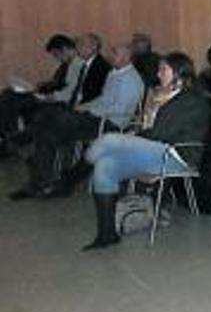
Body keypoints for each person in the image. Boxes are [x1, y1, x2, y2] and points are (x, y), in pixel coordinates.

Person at [82, 52, 211, 250]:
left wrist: (136, 135)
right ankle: (107, 234)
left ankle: (77, 171)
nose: (159, 74)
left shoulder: (191, 100)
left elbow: (163, 133)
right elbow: (155, 131)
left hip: (177, 155)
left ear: (179, 73)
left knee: (110, 140)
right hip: (158, 151)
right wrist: (139, 131)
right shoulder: (167, 96)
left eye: (163, 70)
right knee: (105, 166)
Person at [11, 43, 144, 200]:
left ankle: (24, 143)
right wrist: (84, 106)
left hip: (109, 123)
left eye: (115, 52)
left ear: (127, 57)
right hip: (95, 118)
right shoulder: (115, 73)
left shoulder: (132, 80)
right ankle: (40, 181)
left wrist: (88, 110)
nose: (110, 55)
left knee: (53, 120)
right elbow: (103, 99)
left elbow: (118, 111)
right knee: (47, 127)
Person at [0, 34, 83, 139]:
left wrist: (50, 97)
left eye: (56, 54)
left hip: (58, 101)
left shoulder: (78, 65)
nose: (57, 58)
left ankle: (10, 136)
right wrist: (41, 87)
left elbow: (72, 91)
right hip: (50, 96)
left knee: (10, 99)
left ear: (65, 49)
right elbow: (58, 83)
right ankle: (10, 134)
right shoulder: (67, 65)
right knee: (8, 94)